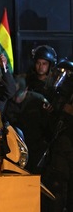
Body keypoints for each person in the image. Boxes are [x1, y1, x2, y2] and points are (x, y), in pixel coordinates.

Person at [40, 58, 73, 212]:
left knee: (61, 184)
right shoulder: (57, 95)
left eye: (63, 74)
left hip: (66, 149)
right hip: (55, 147)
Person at [4, 75, 52, 174]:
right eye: (14, 95)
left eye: (19, 95)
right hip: (18, 146)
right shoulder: (9, 103)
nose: (16, 98)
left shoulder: (38, 100)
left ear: (26, 90)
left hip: (36, 144)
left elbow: (49, 121)